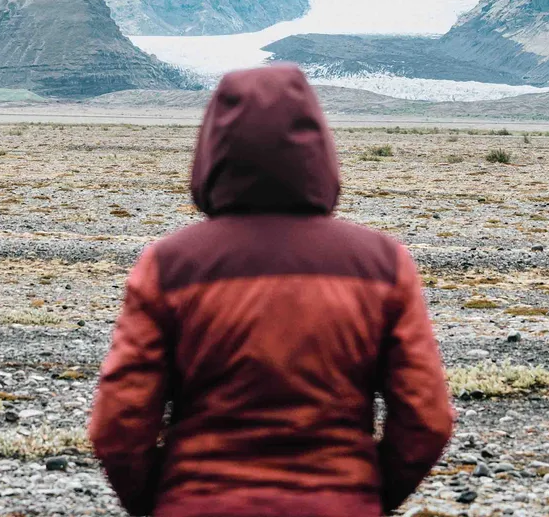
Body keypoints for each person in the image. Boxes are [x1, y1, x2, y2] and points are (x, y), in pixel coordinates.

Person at [89, 64, 454, 517]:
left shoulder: (170, 265)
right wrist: (369, 496)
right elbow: (427, 418)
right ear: (319, 145)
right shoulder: (380, 262)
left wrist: (157, 500)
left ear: (213, 148)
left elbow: (120, 422)